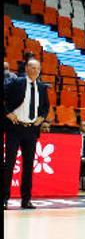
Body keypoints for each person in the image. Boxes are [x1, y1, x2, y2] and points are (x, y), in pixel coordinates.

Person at [3, 58, 50, 210]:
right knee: (9, 165)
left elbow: (45, 106)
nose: (35, 70)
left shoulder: (42, 87)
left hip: (31, 130)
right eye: (32, 67)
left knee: (28, 167)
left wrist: (41, 118)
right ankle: (4, 199)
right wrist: (8, 113)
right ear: (26, 69)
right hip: (15, 128)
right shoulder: (17, 83)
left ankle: (26, 200)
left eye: (37, 68)